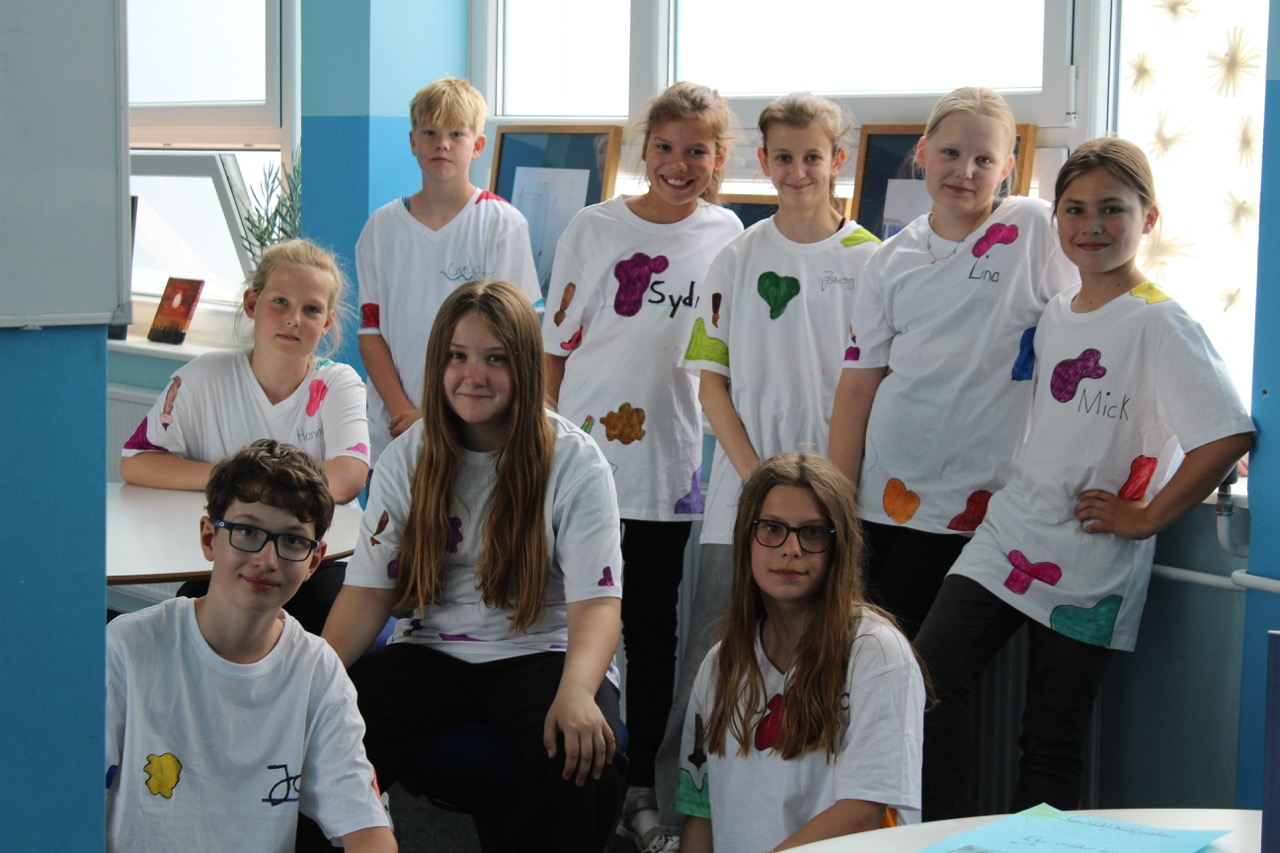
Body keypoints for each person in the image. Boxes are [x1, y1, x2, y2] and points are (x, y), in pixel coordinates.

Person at [914, 137, 1254, 819]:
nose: (1091, 226)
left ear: (1148, 218)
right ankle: (940, 836)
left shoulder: (1163, 322)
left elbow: (1227, 433)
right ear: (1056, 219)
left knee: (1050, 739)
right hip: (1010, 533)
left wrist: (1147, 517)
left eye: (1112, 209)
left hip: (1093, 561)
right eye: (1074, 209)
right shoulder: (1058, 311)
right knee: (926, 682)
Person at [323, 279, 625, 853]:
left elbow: (598, 604)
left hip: (544, 649)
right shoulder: (409, 456)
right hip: (432, 648)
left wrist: (578, 692)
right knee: (324, 724)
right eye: (457, 356)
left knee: (584, 755)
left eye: (496, 359)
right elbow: (368, 592)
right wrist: (310, 679)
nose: (473, 376)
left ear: (525, 366)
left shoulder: (576, 461)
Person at [656, 92, 882, 833]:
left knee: (823, 665)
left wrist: (827, 494)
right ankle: (684, 820)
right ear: (762, 160)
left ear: (837, 160)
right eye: (783, 156)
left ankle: (803, 821)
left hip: (834, 503)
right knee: (711, 657)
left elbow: (872, 385)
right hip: (741, 500)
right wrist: (760, 479)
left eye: (812, 156)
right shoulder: (738, 256)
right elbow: (710, 383)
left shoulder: (871, 260)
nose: (797, 170)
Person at [539, 80, 742, 853]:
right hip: (582, 464)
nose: (678, 164)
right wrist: (548, 450)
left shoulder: (728, 234)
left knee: (653, 634)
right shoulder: (595, 228)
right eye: (664, 147)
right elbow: (554, 351)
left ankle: (637, 791)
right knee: (563, 621)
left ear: (719, 159)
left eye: (697, 151)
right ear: (643, 149)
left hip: (668, 473)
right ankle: (562, 776)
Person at [829, 86, 1077, 638]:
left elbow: (1095, 320)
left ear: (1007, 168)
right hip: (882, 492)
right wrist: (838, 500)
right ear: (922, 152)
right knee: (862, 652)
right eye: (950, 153)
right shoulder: (890, 259)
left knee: (922, 661)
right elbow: (858, 387)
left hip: (980, 502)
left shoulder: (1034, 229)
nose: (965, 170)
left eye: (984, 159)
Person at [106, 439, 395, 853]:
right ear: (209, 537)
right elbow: (63, 802)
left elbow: (365, 825)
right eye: (247, 531)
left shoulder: (318, 671)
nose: (267, 560)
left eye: (292, 541)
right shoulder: (128, 648)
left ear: (314, 562)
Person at [674, 452, 924, 852]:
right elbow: (700, 817)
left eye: (812, 533)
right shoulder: (720, 665)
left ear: (838, 547)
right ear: (745, 538)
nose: (791, 548)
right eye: (772, 528)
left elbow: (863, 812)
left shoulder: (877, 653)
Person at [121, 238, 369, 633]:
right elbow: (137, 463)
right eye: (280, 302)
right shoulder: (203, 377)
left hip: (316, 559)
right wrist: (231, 479)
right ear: (252, 304)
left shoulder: (338, 383)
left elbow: (346, 478)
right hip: (235, 551)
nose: (294, 319)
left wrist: (243, 489)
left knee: (322, 613)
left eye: (311, 309)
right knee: (192, 617)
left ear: (327, 323)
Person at [356, 76, 540, 462]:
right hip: (395, 430)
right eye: (430, 132)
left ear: (478, 146)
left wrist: (437, 418)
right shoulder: (381, 227)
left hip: (474, 432)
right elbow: (371, 333)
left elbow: (515, 340)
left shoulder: (502, 224)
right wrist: (405, 414)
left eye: (456, 133)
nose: (442, 143)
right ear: (413, 141)